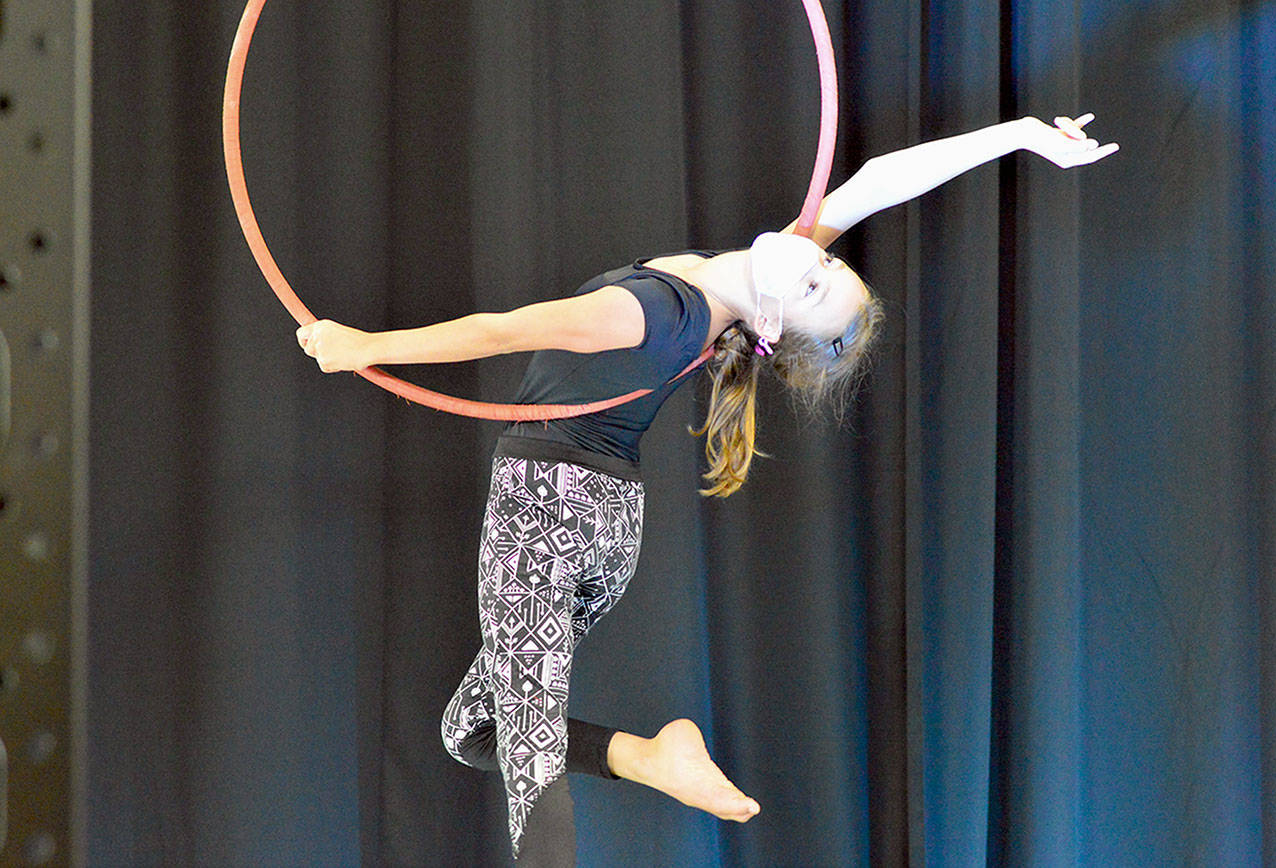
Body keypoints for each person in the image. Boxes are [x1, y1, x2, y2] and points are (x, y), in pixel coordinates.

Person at [297, 113, 1117, 865]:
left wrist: (359, 344)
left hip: (549, 509)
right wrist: (1015, 137)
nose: (814, 260)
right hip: (595, 513)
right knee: (474, 731)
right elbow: (876, 181)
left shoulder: (659, 314)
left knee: (526, 755)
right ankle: (653, 758)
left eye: (812, 289)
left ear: (770, 329)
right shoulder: (742, 287)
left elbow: (502, 331)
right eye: (828, 264)